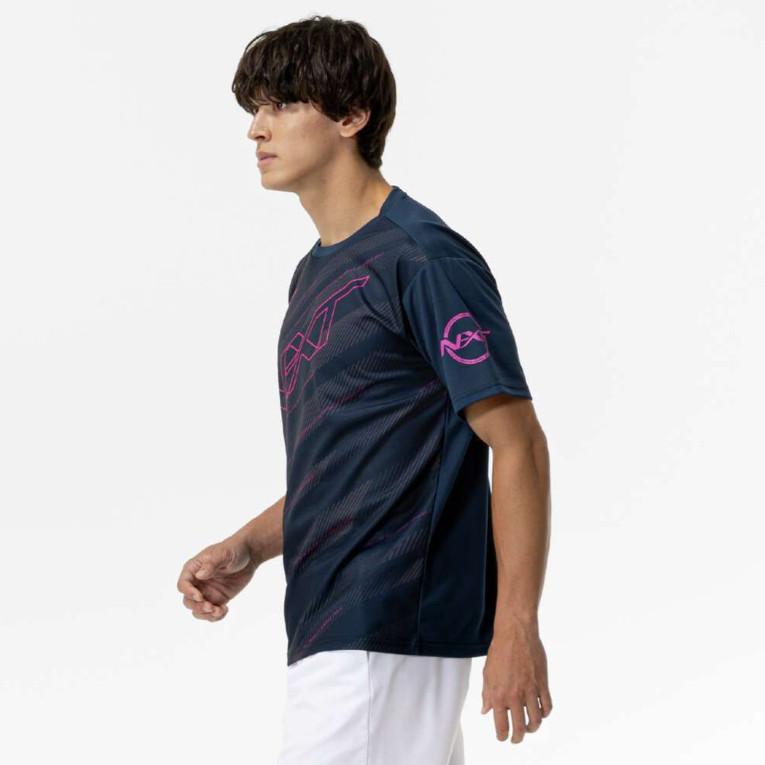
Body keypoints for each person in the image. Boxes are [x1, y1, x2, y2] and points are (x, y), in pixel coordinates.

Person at [176, 14, 553, 764]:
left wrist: (516, 624)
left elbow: (517, 443)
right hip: (334, 626)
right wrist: (250, 546)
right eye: (255, 107)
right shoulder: (316, 272)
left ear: (352, 116)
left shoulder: (422, 261)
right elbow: (360, 462)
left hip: (385, 624)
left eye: (282, 104)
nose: (256, 128)